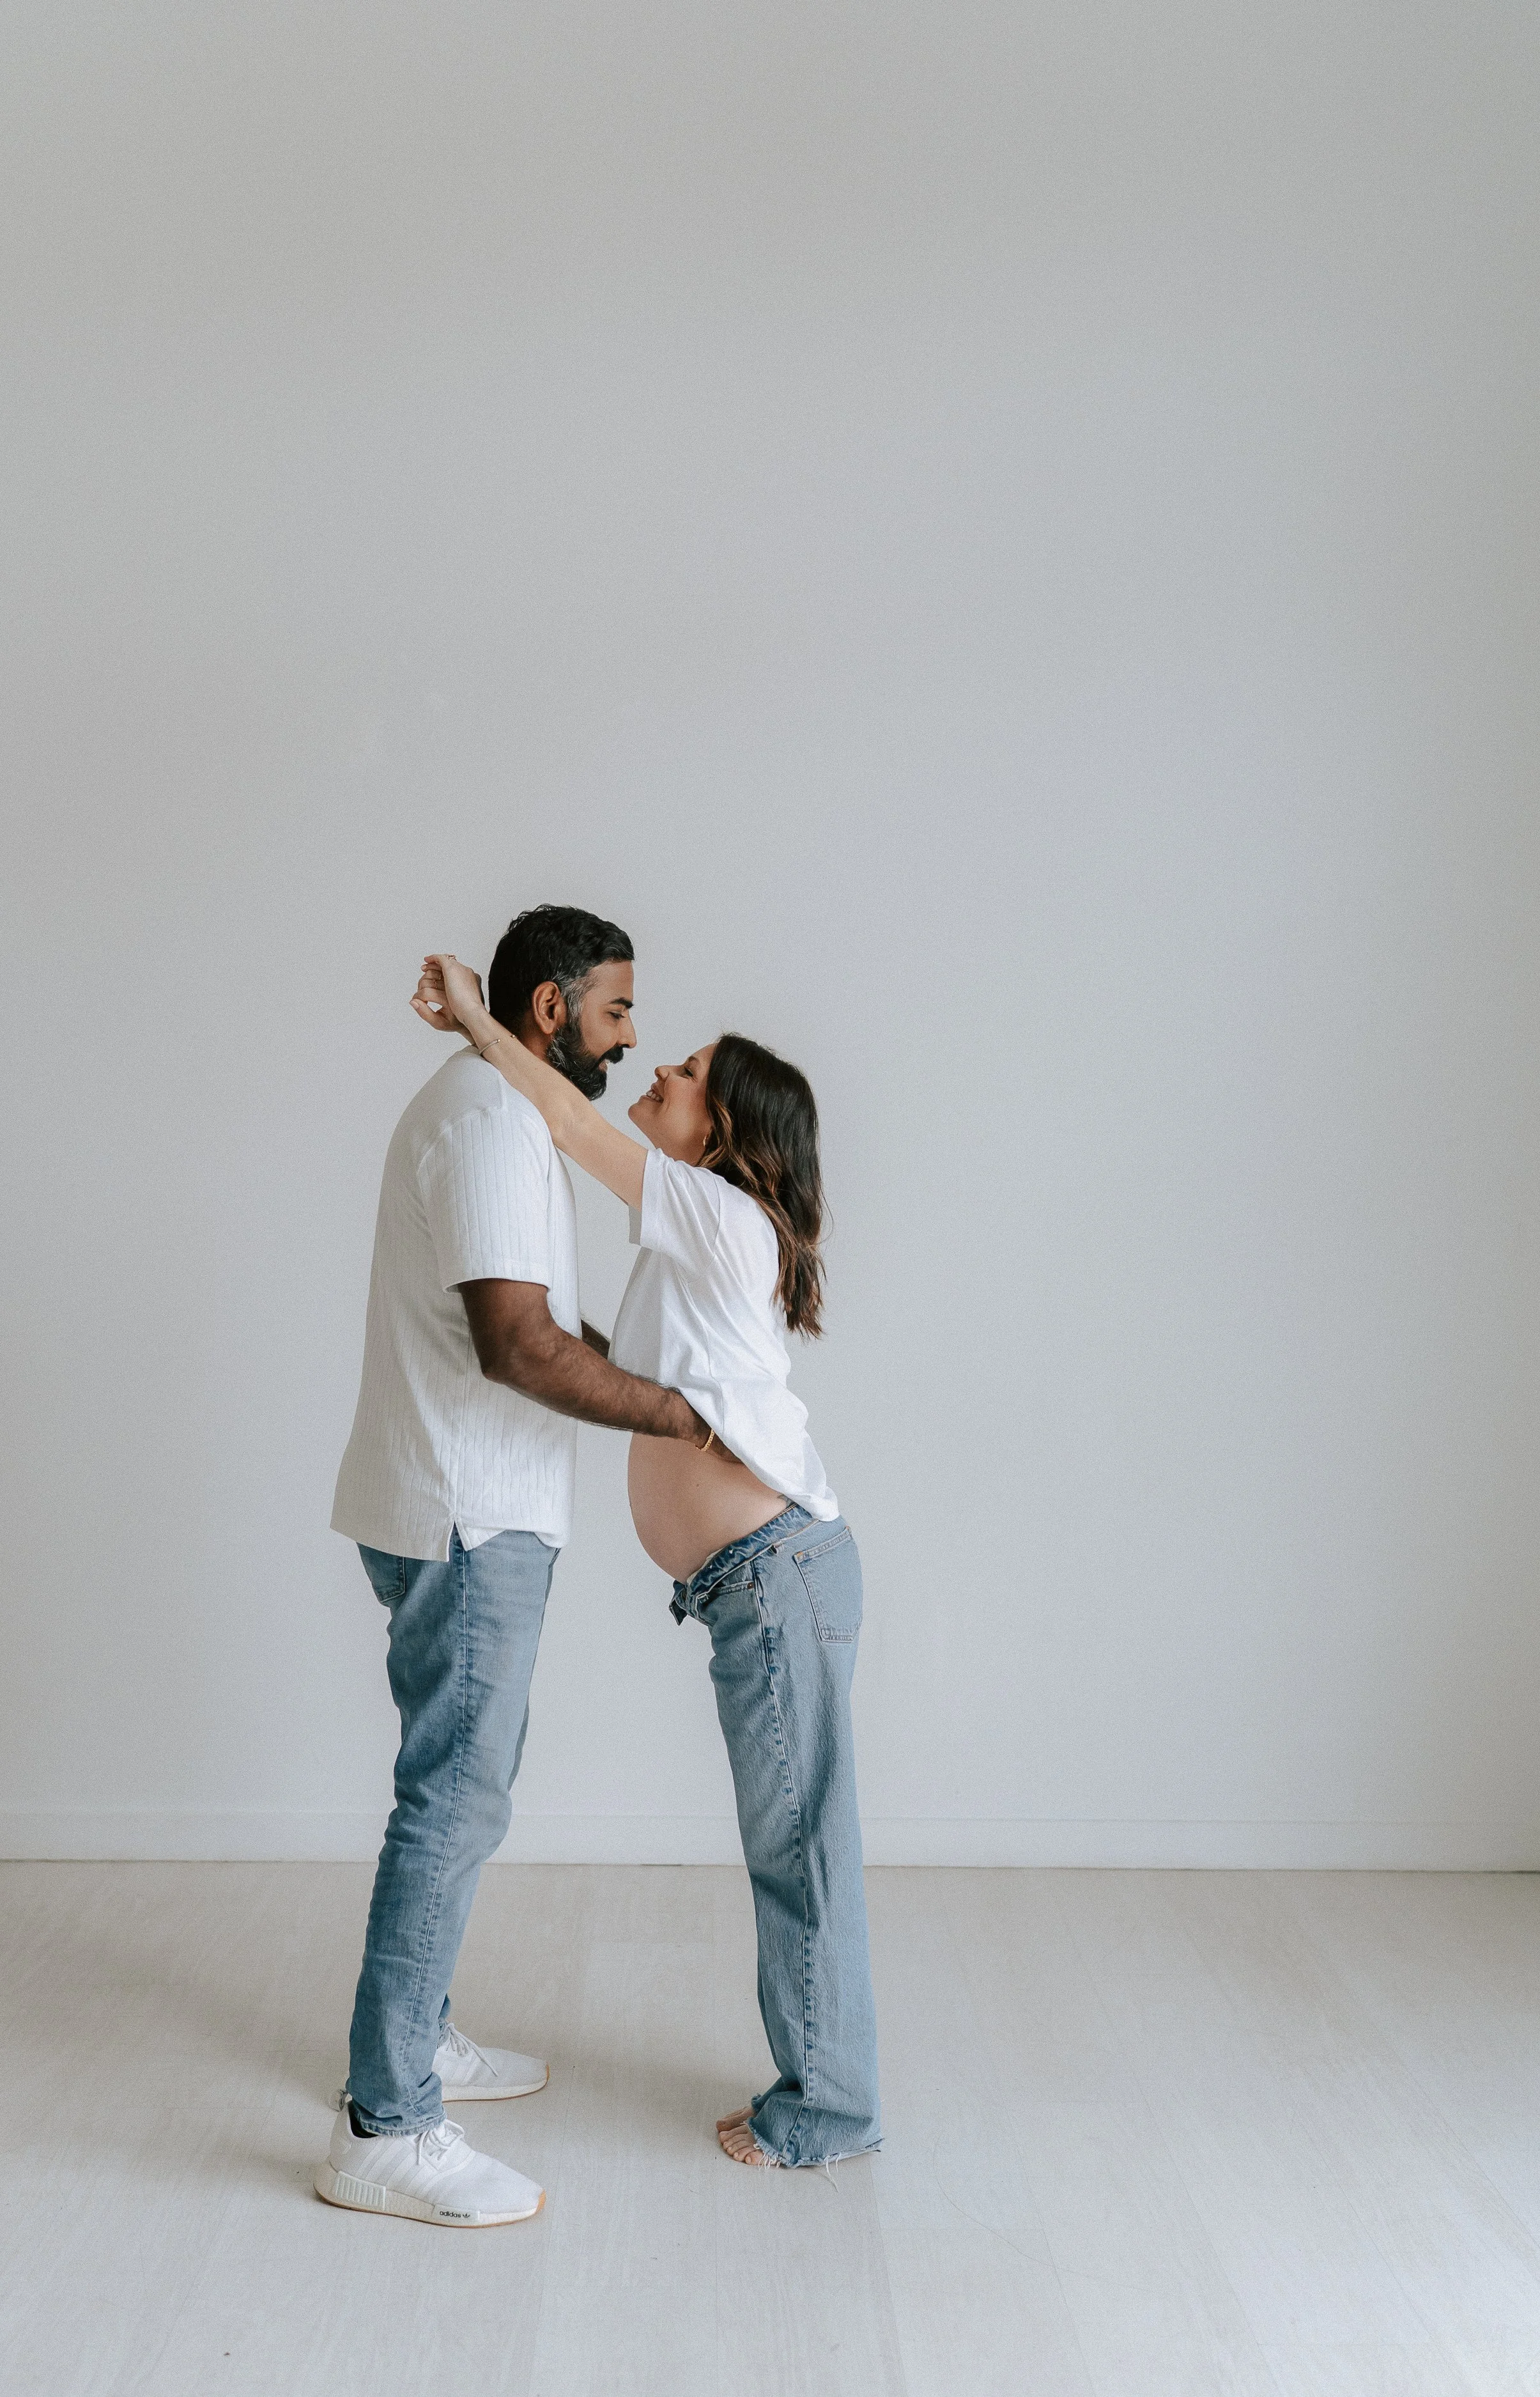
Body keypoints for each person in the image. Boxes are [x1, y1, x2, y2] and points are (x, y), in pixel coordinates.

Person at [414, 950, 881, 2170]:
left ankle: (827, 2108)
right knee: (794, 1843)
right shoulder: (701, 1238)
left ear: (720, 1132)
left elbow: (565, 1118)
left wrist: (476, 1018)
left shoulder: (712, 1208)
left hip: (776, 1580)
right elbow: (657, 1370)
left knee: (800, 1850)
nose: (659, 1067)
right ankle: (823, 2088)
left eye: (685, 1075)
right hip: (761, 1588)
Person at [318, 905, 716, 2229]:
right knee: (450, 1803)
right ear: (549, 1010)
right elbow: (519, 1347)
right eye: (615, 1011)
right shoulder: (489, 1123)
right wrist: (679, 1417)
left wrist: (650, 1372)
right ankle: (387, 2125)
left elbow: (543, 1316)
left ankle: (416, 2043)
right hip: (465, 1516)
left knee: (462, 1798)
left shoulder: (499, 1109)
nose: (630, 1034)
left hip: (459, 1506)